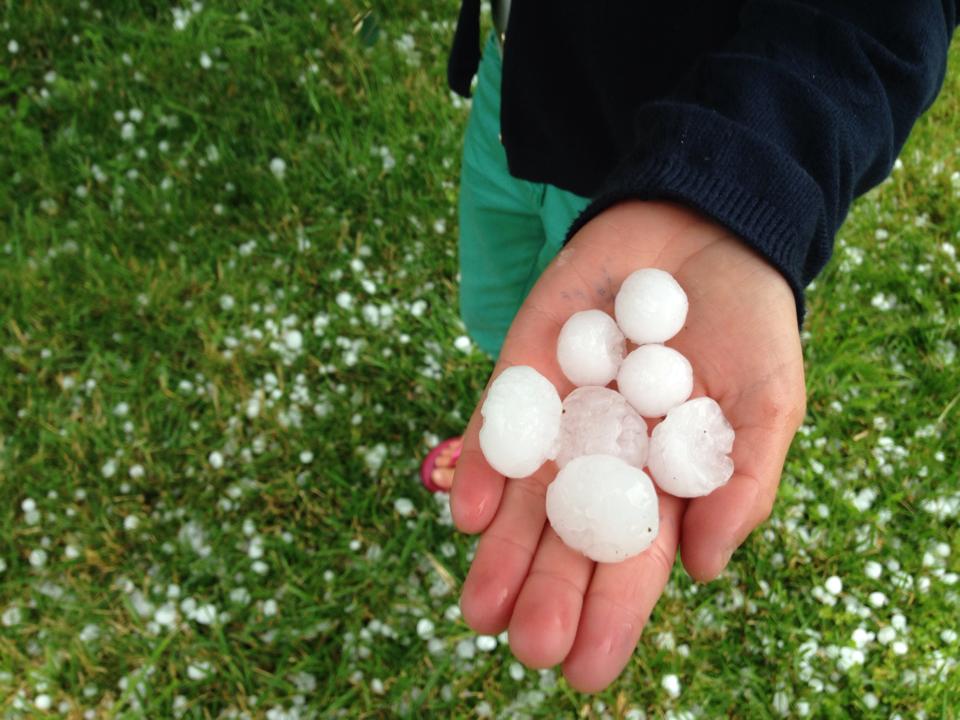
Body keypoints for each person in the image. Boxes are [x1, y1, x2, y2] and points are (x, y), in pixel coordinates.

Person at [423, 1, 959, 693]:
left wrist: (742, 171)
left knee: (551, 315)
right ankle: (500, 432)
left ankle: (511, 448)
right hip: (514, 79)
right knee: (504, 316)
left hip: (661, 144)